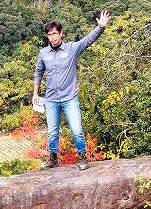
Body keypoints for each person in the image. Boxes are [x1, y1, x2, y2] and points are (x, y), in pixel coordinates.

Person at [33, 10, 110, 169]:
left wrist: (100, 27)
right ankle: (53, 159)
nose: (52, 37)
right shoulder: (43, 53)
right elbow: (38, 72)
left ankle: (82, 157)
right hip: (51, 99)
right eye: (49, 34)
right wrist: (35, 93)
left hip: (70, 97)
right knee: (53, 132)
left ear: (61, 33)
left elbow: (88, 40)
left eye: (55, 33)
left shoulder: (72, 49)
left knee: (77, 130)